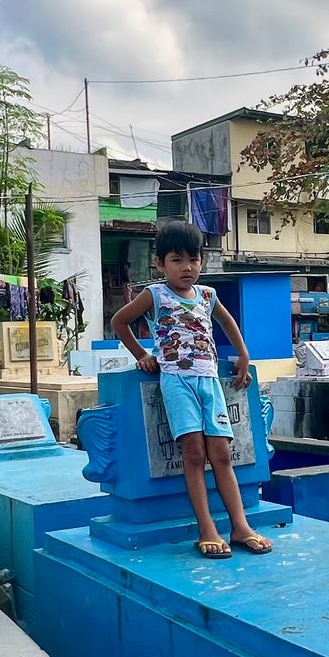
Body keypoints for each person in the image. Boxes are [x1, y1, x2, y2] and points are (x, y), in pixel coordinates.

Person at [111, 219, 271, 559]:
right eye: (177, 259)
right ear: (160, 263)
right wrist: (141, 355)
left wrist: (243, 354)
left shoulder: (208, 295)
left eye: (193, 259)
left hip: (210, 381)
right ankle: (207, 529)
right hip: (176, 382)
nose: (187, 267)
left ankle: (240, 526)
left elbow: (227, 322)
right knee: (195, 454)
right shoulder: (154, 294)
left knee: (223, 454)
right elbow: (119, 322)